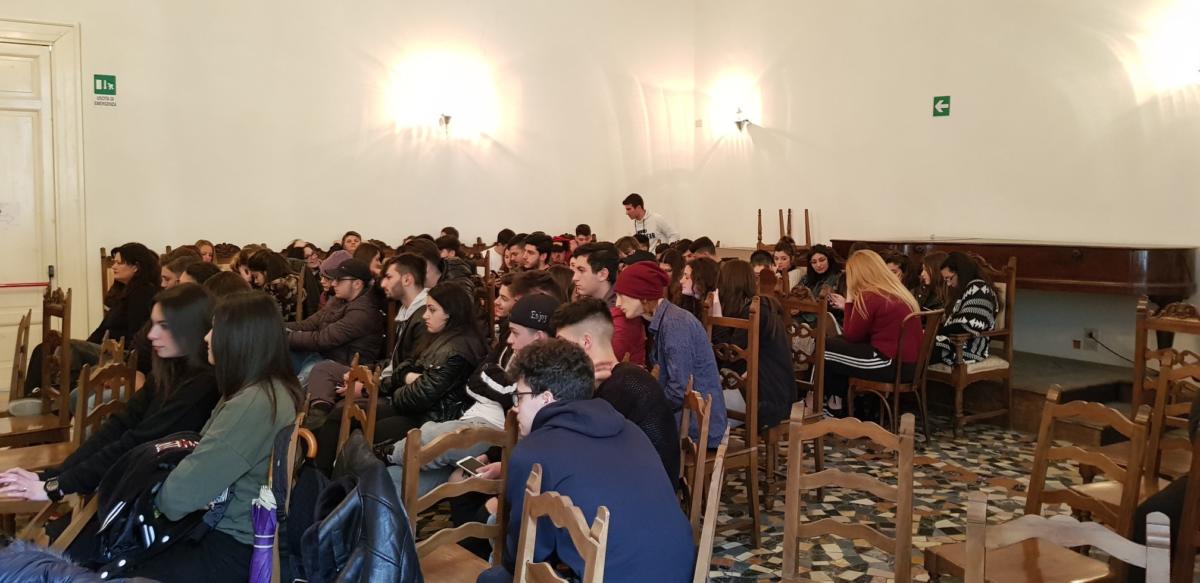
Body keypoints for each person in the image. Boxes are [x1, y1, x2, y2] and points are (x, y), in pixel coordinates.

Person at [0, 284, 220, 534]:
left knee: (57, 538)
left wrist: (59, 485)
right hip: (136, 484)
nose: (151, 335)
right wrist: (54, 477)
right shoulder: (171, 370)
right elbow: (120, 425)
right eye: (153, 324)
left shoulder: (202, 385)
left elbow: (136, 443)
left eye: (164, 326)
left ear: (190, 329)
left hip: (158, 508)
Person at [476, 339, 695, 583]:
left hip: (612, 575)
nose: (516, 408)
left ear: (546, 398)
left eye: (520, 397)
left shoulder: (533, 452)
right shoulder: (630, 428)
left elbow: (522, 558)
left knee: (492, 578)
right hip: (682, 571)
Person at [383, 293, 560, 495]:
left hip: (495, 437)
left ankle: (385, 455)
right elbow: (476, 379)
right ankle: (372, 484)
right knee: (396, 476)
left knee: (433, 440)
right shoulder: (511, 348)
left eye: (515, 333)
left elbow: (513, 409)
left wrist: (494, 457)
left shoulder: (550, 375)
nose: (509, 339)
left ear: (539, 337)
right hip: (475, 424)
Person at [552, 298, 679, 485]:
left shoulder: (622, 386)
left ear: (586, 341)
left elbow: (578, 446)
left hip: (647, 490)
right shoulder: (618, 377)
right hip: (639, 482)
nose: (558, 352)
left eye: (562, 343)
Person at [305, 254, 429, 432]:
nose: (382, 283)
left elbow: (413, 374)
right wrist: (365, 371)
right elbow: (395, 362)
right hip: (386, 377)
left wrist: (366, 386)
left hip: (401, 393)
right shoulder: (406, 309)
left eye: (388, 277)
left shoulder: (424, 316)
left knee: (337, 413)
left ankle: (312, 435)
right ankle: (314, 419)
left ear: (407, 279)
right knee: (323, 368)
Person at [613, 262, 727, 448]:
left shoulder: (675, 324)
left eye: (622, 296)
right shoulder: (664, 319)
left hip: (698, 426)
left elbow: (679, 390)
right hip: (685, 416)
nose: (618, 304)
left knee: (625, 433)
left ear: (643, 296)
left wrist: (645, 408)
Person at [371, 282, 488, 442]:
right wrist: (406, 377)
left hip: (437, 420)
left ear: (450, 313)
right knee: (360, 413)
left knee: (373, 428)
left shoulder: (456, 351)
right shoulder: (441, 335)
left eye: (432, 310)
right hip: (422, 412)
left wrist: (396, 390)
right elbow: (408, 363)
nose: (425, 315)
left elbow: (418, 397)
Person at [822, 251, 922, 418]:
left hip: (887, 363)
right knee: (835, 344)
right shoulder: (896, 292)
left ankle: (829, 406)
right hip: (908, 366)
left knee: (823, 348)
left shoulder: (871, 296)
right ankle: (836, 403)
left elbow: (851, 335)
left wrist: (849, 300)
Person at [713, 260, 796, 429]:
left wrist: (717, 320)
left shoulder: (755, 311)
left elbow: (732, 359)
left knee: (699, 415)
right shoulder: (752, 306)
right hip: (763, 390)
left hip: (766, 398)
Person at [285, 259, 385, 382]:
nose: (333, 283)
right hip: (323, 357)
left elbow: (322, 340)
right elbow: (308, 324)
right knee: (279, 354)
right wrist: (276, 326)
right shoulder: (339, 300)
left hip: (344, 368)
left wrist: (283, 336)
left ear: (357, 284)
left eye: (339, 280)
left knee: (298, 384)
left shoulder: (363, 312)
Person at [570, 243, 645, 365]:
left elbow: (599, 363)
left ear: (603, 274)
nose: (574, 278)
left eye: (581, 270)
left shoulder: (623, 311)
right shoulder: (593, 306)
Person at [932, 252, 999, 366]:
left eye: (949, 278)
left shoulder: (979, 288)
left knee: (917, 351)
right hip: (952, 341)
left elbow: (968, 324)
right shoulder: (966, 289)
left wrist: (934, 333)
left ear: (961, 272)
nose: (948, 284)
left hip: (966, 347)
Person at [247, 249, 302, 320]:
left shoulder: (275, 287)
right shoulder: (293, 280)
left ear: (266, 272)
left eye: (256, 276)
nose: (255, 281)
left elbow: (270, 317)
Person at [678, 256, 720, 323]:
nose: (681, 281)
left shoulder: (713, 303)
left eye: (687, 277)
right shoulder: (684, 302)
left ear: (701, 280)